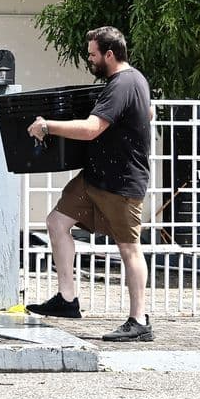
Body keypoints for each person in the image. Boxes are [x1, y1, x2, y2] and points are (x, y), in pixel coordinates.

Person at [25, 26, 154, 342]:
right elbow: (148, 113)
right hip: (96, 176)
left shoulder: (123, 83)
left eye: (93, 54)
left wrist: (47, 126)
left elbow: (91, 129)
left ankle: (139, 321)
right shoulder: (129, 81)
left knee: (128, 248)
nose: (90, 59)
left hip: (121, 182)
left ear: (110, 54)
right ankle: (67, 300)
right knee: (57, 221)